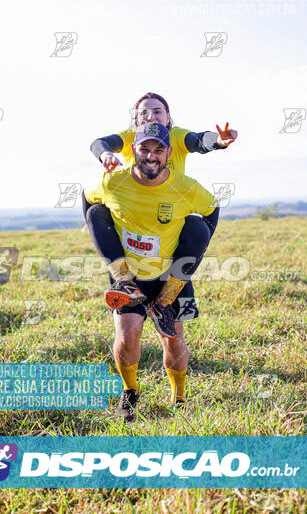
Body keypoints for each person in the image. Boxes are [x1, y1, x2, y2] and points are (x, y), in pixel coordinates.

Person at [83, 122, 219, 422]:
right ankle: (130, 393)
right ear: (134, 150)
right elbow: (88, 201)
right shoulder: (112, 181)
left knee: (173, 340)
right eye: (145, 148)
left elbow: (211, 210)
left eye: (158, 150)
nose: (151, 156)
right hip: (128, 276)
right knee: (127, 337)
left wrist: (192, 252)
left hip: (170, 276)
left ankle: (179, 399)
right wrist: (106, 246)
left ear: (168, 153)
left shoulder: (186, 188)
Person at [88, 92, 236, 310]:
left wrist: (219, 141)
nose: (151, 117)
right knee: (96, 213)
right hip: (134, 232)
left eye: (157, 111)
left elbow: (199, 141)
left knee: (197, 228)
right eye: (144, 113)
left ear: (168, 116)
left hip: (167, 229)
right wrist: (105, 155)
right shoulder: (130, 137)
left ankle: (164, 303)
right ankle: (125, 282)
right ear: (136, 121)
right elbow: (99, 143)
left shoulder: (176, 136)